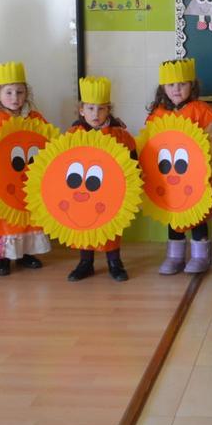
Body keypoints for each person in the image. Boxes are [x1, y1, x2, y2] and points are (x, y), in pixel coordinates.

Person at [0, 61, 52, 276]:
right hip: (1, 183)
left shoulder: (35, 119)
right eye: (9, 92)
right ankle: (3, 259)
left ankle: (27, 254)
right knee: (4, 220)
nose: (15, 97)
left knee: (28, 218)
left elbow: (47, 147)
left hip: (27, 180)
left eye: (19, 92)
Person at [148, 58, 212, 275]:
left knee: (197, 216)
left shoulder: (202, 111)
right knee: (174, 215)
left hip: (196, 178)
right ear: (163, 88)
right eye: (171, 85)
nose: (177, 89)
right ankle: (175, 256)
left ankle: (201, 256)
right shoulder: (158, 115)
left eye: (182, 84)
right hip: (170, 178)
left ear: (192, 85)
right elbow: (151, 146)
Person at [65, 76, 136, 283]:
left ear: (108, 110)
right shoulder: (73, 134)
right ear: (81, 110)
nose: (95, 114)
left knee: (111, 227)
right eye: (90, 109)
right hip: (83, 191)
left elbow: (132, 161)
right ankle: (85, 262)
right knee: (84, 223)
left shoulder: (119, 134)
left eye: (101, 109)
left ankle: (115, 262)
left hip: (111, 192)